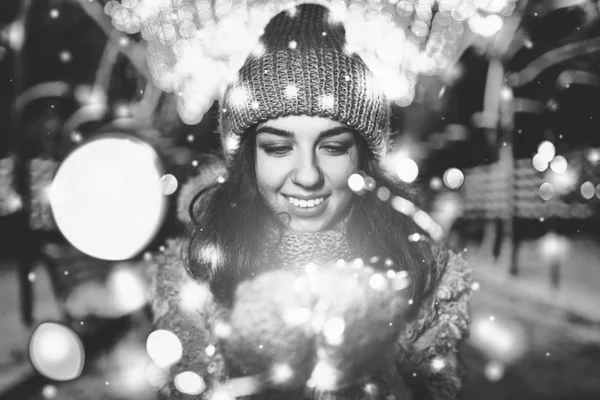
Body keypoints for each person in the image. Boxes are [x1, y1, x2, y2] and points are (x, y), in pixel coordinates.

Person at [151, 3, 472, 400]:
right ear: (248, 160)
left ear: (365, 159)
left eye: (334, 147)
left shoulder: (423, 280)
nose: (307, 175)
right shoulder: (193, 278)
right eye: (277, 147)